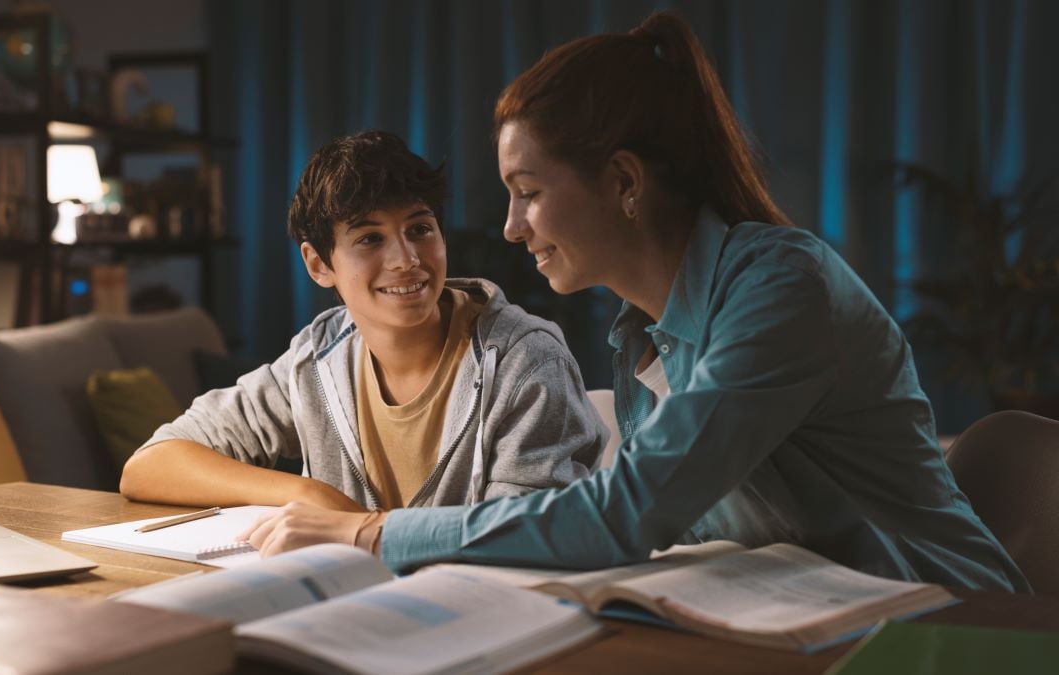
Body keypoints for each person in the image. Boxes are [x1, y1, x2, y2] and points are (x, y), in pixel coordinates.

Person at [236, 13, 1030, 593]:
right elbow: (665, 524)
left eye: (529, 194)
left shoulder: (784, 290)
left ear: (622, 182)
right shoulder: (639, 335)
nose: (512, 228)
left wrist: (368, 530)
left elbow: (628, 512)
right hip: (802, 617)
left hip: (947, 624)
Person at [120, 130, 605, 520]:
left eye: (420, 229)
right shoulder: (318, 358)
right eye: (370, 239)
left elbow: (525, 535)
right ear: (318, 265)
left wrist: (360, 532)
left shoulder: (525, 360)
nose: (406, 260)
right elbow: (150, 465)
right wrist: (312, 496)